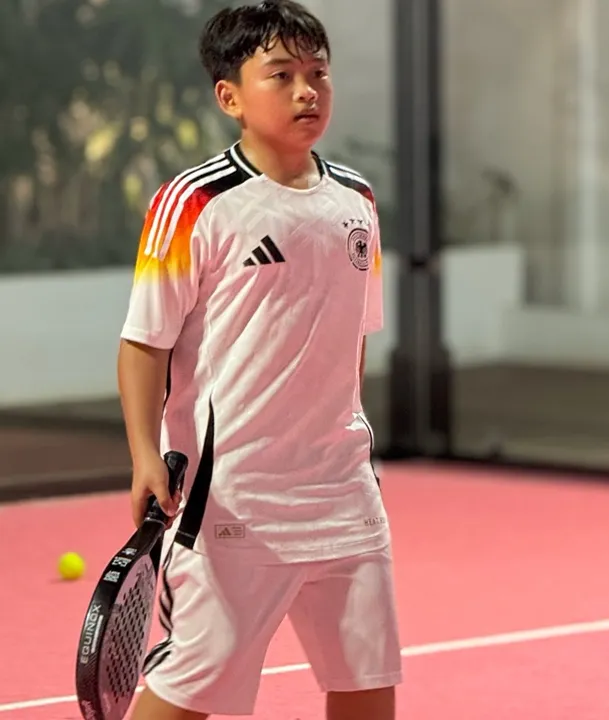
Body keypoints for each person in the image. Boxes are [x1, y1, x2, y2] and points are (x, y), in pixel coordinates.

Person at [117, 1, 402, 718]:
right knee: (187, 694)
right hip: (231, 499)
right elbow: (144, 341)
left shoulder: (357, 200)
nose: (307, 91)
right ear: (230, 97)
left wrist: (346, 442)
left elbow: (353, 340)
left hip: (343, 494)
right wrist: (145, 455)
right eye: (281, 75)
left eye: (318, 74)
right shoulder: (193, 202)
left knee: (367, 684)